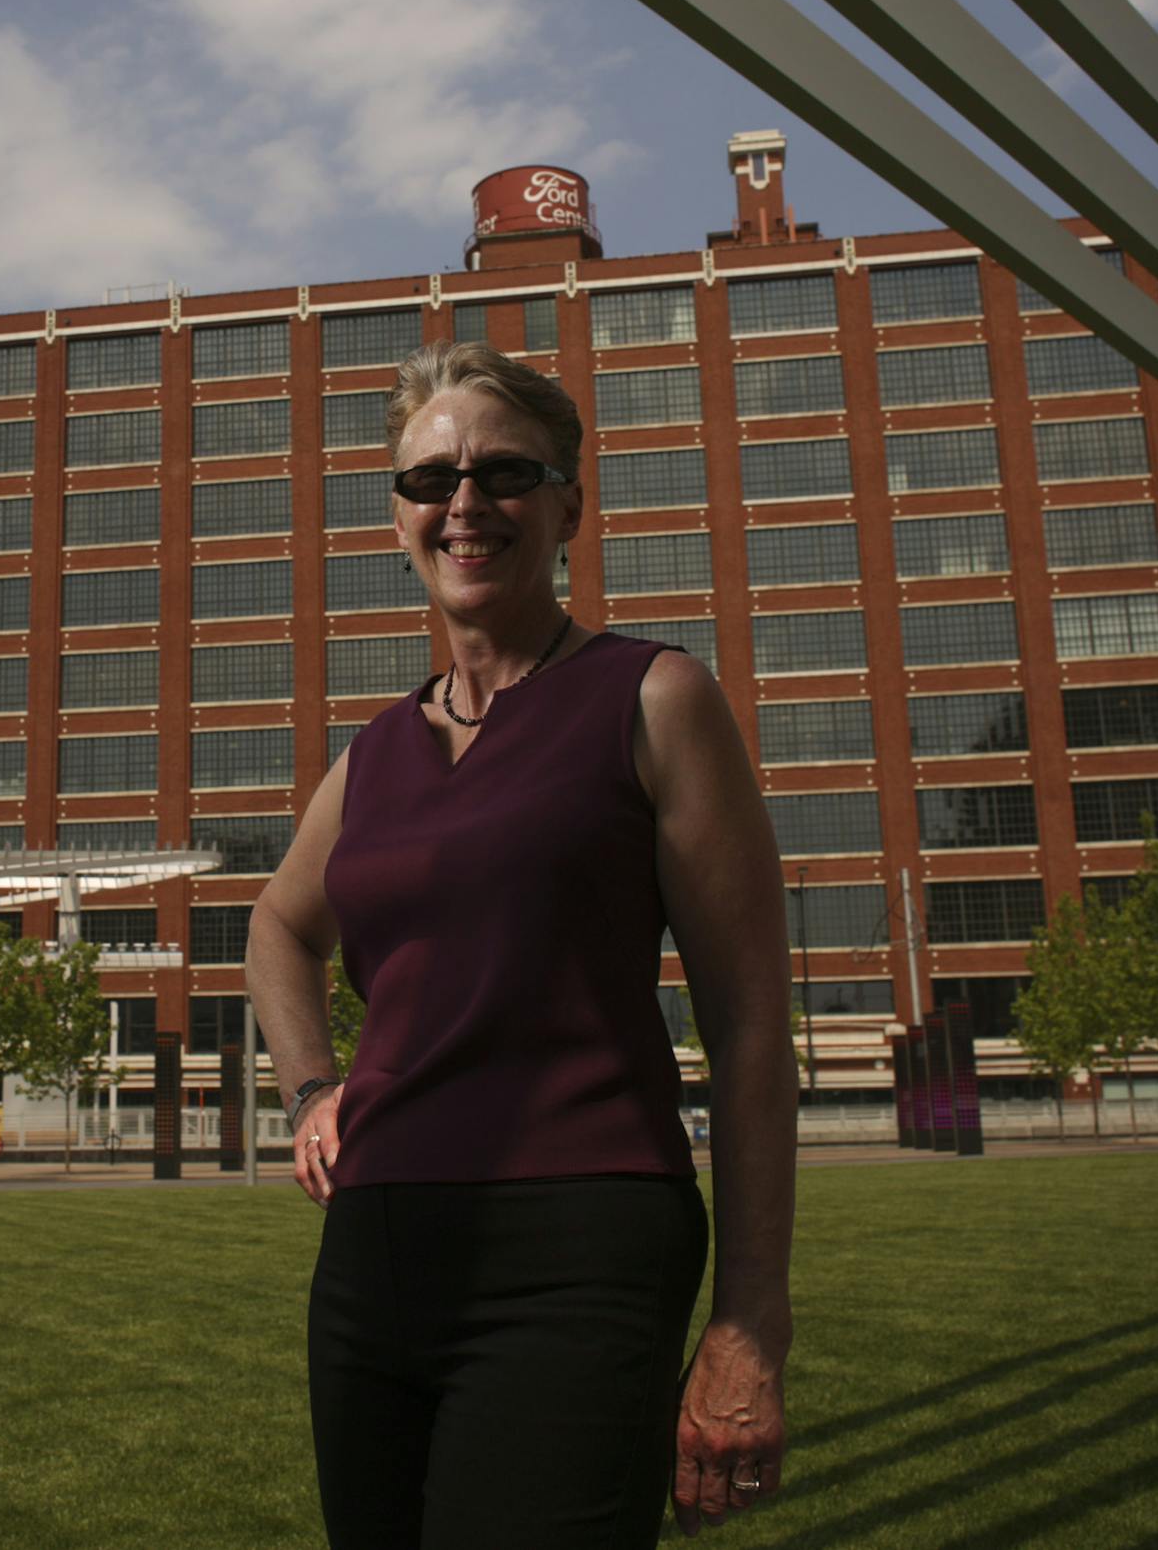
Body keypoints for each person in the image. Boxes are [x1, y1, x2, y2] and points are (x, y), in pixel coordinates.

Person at [245, 342, 795, 1547]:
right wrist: (309, 1090)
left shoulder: (653, 698)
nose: (463, 503)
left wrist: (750, 1322)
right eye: (429, 479)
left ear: (568, 504)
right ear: (398, 518)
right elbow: (278, 924)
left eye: (503, 470)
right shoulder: (372, 753)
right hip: (374, 1257)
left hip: (580, 1246)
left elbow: (752, 1025)